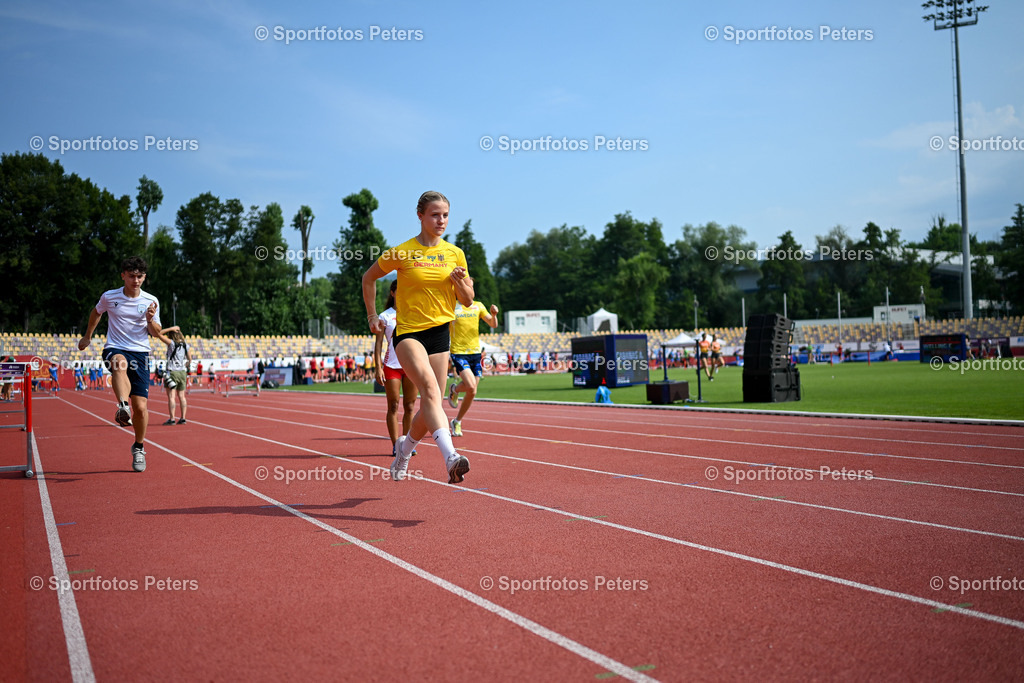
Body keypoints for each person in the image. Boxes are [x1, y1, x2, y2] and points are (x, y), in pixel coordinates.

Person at [362, 190, 473, 484]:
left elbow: (468, 300)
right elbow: (368, 277)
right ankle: (451, 456)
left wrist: (460, 282)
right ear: (420, 215)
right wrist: (373, 315)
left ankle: (403, 450)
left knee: (430, 404)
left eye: (446, 215)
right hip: (409, 333)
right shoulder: (403, 251)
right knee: (430, 390)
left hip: (440, 334)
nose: (441, 220)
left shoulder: (455, 253)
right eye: (435, 215)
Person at [78, 255, 162, 472]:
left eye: (140, 276)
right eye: (132, 276)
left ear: (144, 277)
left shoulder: (151, 301)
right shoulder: (109, 296)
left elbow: (156, 333)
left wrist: (150, 319)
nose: (136, 280)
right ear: (123, 275)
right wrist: (88, 336)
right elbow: (96, 312)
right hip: (115, 346)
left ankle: (139, 447)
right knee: (119, 363)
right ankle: (122, 405)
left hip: (141, 353)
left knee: (141, 409)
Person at [445, 286, 499, 437]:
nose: (469, 291)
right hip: (459, 352)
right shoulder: (451, 306)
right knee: (470, 385)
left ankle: (457, 421)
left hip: (476, 353)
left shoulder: (478, 306)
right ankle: (455, 390)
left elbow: (493, 324)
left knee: (472, 390)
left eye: (471, 288)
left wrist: (494, 315)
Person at [374, 280, 419, 457]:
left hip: (411, 365)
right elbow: (378, 344)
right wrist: (378, 367)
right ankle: (395, 445)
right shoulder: (384, 316)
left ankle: (407, 445)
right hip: (391, 366)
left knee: (410, 406)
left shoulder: (414, 312)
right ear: (392, 293)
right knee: (393, 405)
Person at [154, 326, 191, 424]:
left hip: (172, 372)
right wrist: (185, 366)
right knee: (182, 396)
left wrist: (171, 328)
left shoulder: (172, 344)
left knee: (171, 396)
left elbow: (158, 334)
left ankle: (172, 419)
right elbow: (190, 360)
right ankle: (183, 418)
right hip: (182, 372)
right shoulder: (186, 345)